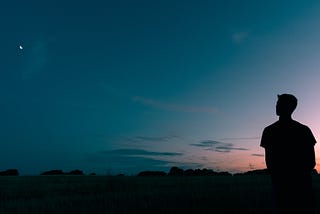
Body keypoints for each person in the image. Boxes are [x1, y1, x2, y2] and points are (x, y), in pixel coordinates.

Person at [260, 94, 317, 214]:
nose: (276, 106)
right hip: (300, 185)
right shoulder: (304, 130)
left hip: (286, 185)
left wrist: (284, 178)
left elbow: (270, 162)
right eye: (277, 104)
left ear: (288, 107)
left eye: (279, 104)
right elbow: (311, 161)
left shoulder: (269, 131)